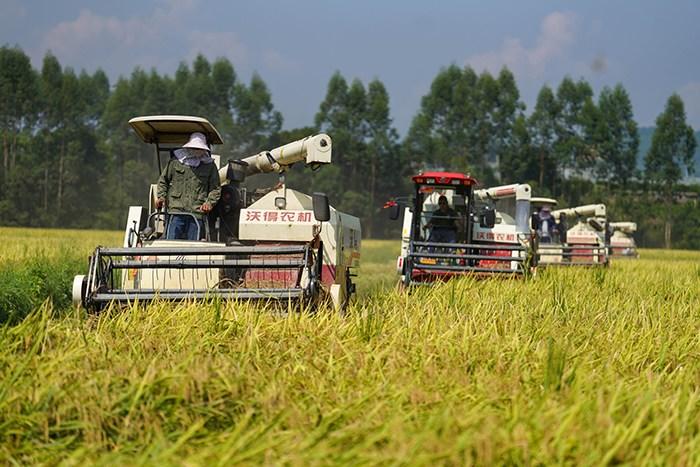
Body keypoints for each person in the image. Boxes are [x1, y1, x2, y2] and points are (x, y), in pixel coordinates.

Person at [156, 132, 221, 240]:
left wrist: (209, 203)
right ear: (189, 147)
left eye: (199, 148)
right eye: (194, 147)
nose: (197, 150)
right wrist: (161, 197)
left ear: (204, 149)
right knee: (170, 246)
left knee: (193, 249)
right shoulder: (175, 162)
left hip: (197, 213)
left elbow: (215, 188)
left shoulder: (210, 166)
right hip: (176, 212)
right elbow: (163, 181)